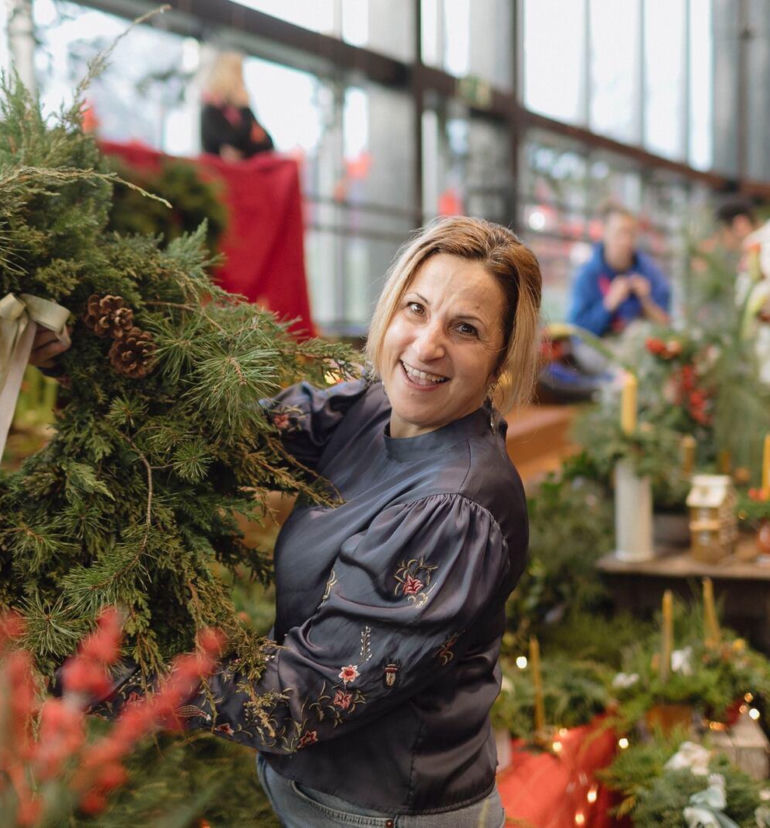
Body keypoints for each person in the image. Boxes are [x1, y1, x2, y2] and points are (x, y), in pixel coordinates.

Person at [34, 216, 542, 825]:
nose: (427, 345)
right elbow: (223, 427)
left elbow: (295, 699)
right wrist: (83, 354)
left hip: (382, 813)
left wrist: (91, 670)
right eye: (416, 308)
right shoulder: (367, 406)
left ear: (500, 360)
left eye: (465, 329)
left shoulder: (453, 511)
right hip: (318, 794)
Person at [567, 204, 671, 336]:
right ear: (604, 234)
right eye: (620, 233)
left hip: (639, 346)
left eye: (631, 234)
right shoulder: (587, 274)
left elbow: (666, 326)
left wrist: (646, 302)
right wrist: (609, 304)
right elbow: (577, 334)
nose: (626, 241)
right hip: (600, 348)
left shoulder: (650, 272)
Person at [199, 51, 274, 162]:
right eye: (238, 72)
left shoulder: (243, 109)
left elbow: (267, 144)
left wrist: (244, 110)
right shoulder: (211, 109)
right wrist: (248, 135)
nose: (242, 79)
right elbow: (227, 141)